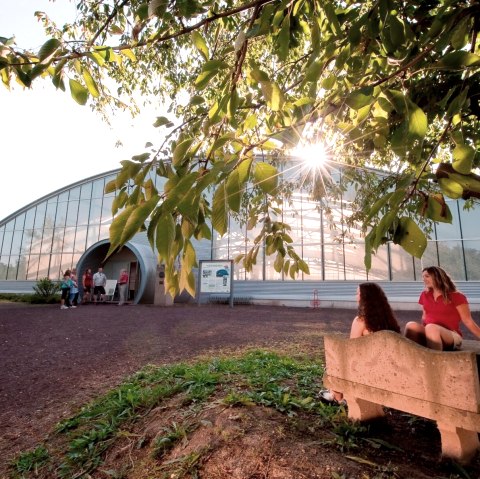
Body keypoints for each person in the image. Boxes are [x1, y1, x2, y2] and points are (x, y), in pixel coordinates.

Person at [319, 282, 401, 404]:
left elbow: (351, 350)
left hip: (368, 372)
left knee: (338, 361)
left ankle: (337, 396)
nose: (356, 297)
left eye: (358, 294)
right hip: (389, 371)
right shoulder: (389, 321)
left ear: (365, 298)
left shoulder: (361, 321)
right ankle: (335, 393)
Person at [404, 266, 480, 351]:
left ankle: (435, 361)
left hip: (451, 335)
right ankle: (410, 357)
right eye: (423, 277)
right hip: (430, 331)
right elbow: (424, 317)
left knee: (431, 328)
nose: (424, 279)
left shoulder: (457, 296)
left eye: (427, 276)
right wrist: (424, 333)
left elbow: (468, 321)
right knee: (411, 325)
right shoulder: (424, 295)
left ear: (438, 276)